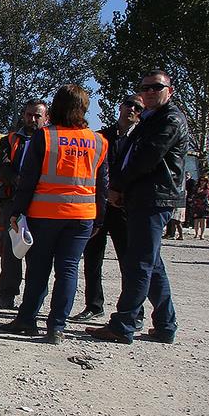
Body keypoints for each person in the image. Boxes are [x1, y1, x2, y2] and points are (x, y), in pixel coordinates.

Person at [1, 85, 108, 344]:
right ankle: (57, 328)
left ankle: (27, 320)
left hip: (45, 214)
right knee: (68, 269)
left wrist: (17, 211)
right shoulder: (98, 141)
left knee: (38, 269)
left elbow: (28, 179)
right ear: (84, 108)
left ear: (55, 107)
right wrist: (99, 219)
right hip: (82, 216)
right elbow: (102, 184)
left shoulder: (46, 137)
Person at [88, 71, 189, 345]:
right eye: (145, 88)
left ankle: (123, 324)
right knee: (152, 264)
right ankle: (165, 324)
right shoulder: (151, 119)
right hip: (143, 197)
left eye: (157, 87)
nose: (149, 92)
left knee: (139, 264)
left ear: (169, 90)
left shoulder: (169, 120)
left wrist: (117, 187)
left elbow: (146, 158)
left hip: (153, 198)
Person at [74, 95, 141, 322]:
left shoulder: (142, 139)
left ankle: (133, 311)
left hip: (124, 207)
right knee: (92, 258)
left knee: (128, 260)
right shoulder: (101, 137)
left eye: (138, 107)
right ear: (120, 107)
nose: (132, 109)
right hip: (98, 206)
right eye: (129, 104)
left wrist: (121, 192)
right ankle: (94, 305)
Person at [0, 100, 49, 310]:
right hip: (12, 200)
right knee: (10, 249)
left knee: (38, 254)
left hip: (41, 202)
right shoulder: (10, 140)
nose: (32, 119)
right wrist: (21, 183)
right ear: (23, 115)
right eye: (29, 115)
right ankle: (7, 294)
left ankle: (33, 300)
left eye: (37, 116)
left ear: (46, 118)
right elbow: (3, 167)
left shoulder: (51, 141)